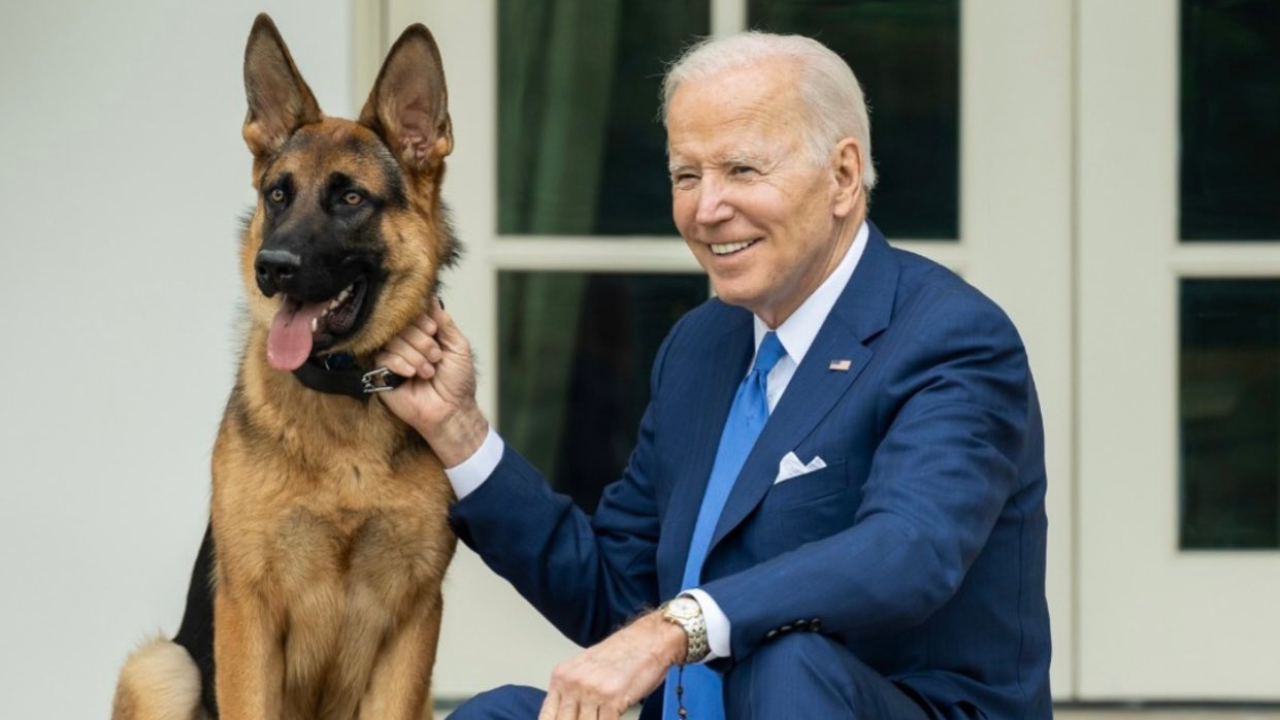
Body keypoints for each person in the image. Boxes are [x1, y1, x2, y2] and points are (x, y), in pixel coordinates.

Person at [378, 32, 1052, 720]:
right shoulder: (701, 344)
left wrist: (677, 628)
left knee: (789, 667)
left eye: (742, 170)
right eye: (686, 175)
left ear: (843, 177)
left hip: (860, 707)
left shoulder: (949, 335)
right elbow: (618, 597)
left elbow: (909, 552)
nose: (706, 210)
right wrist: (456, 429)